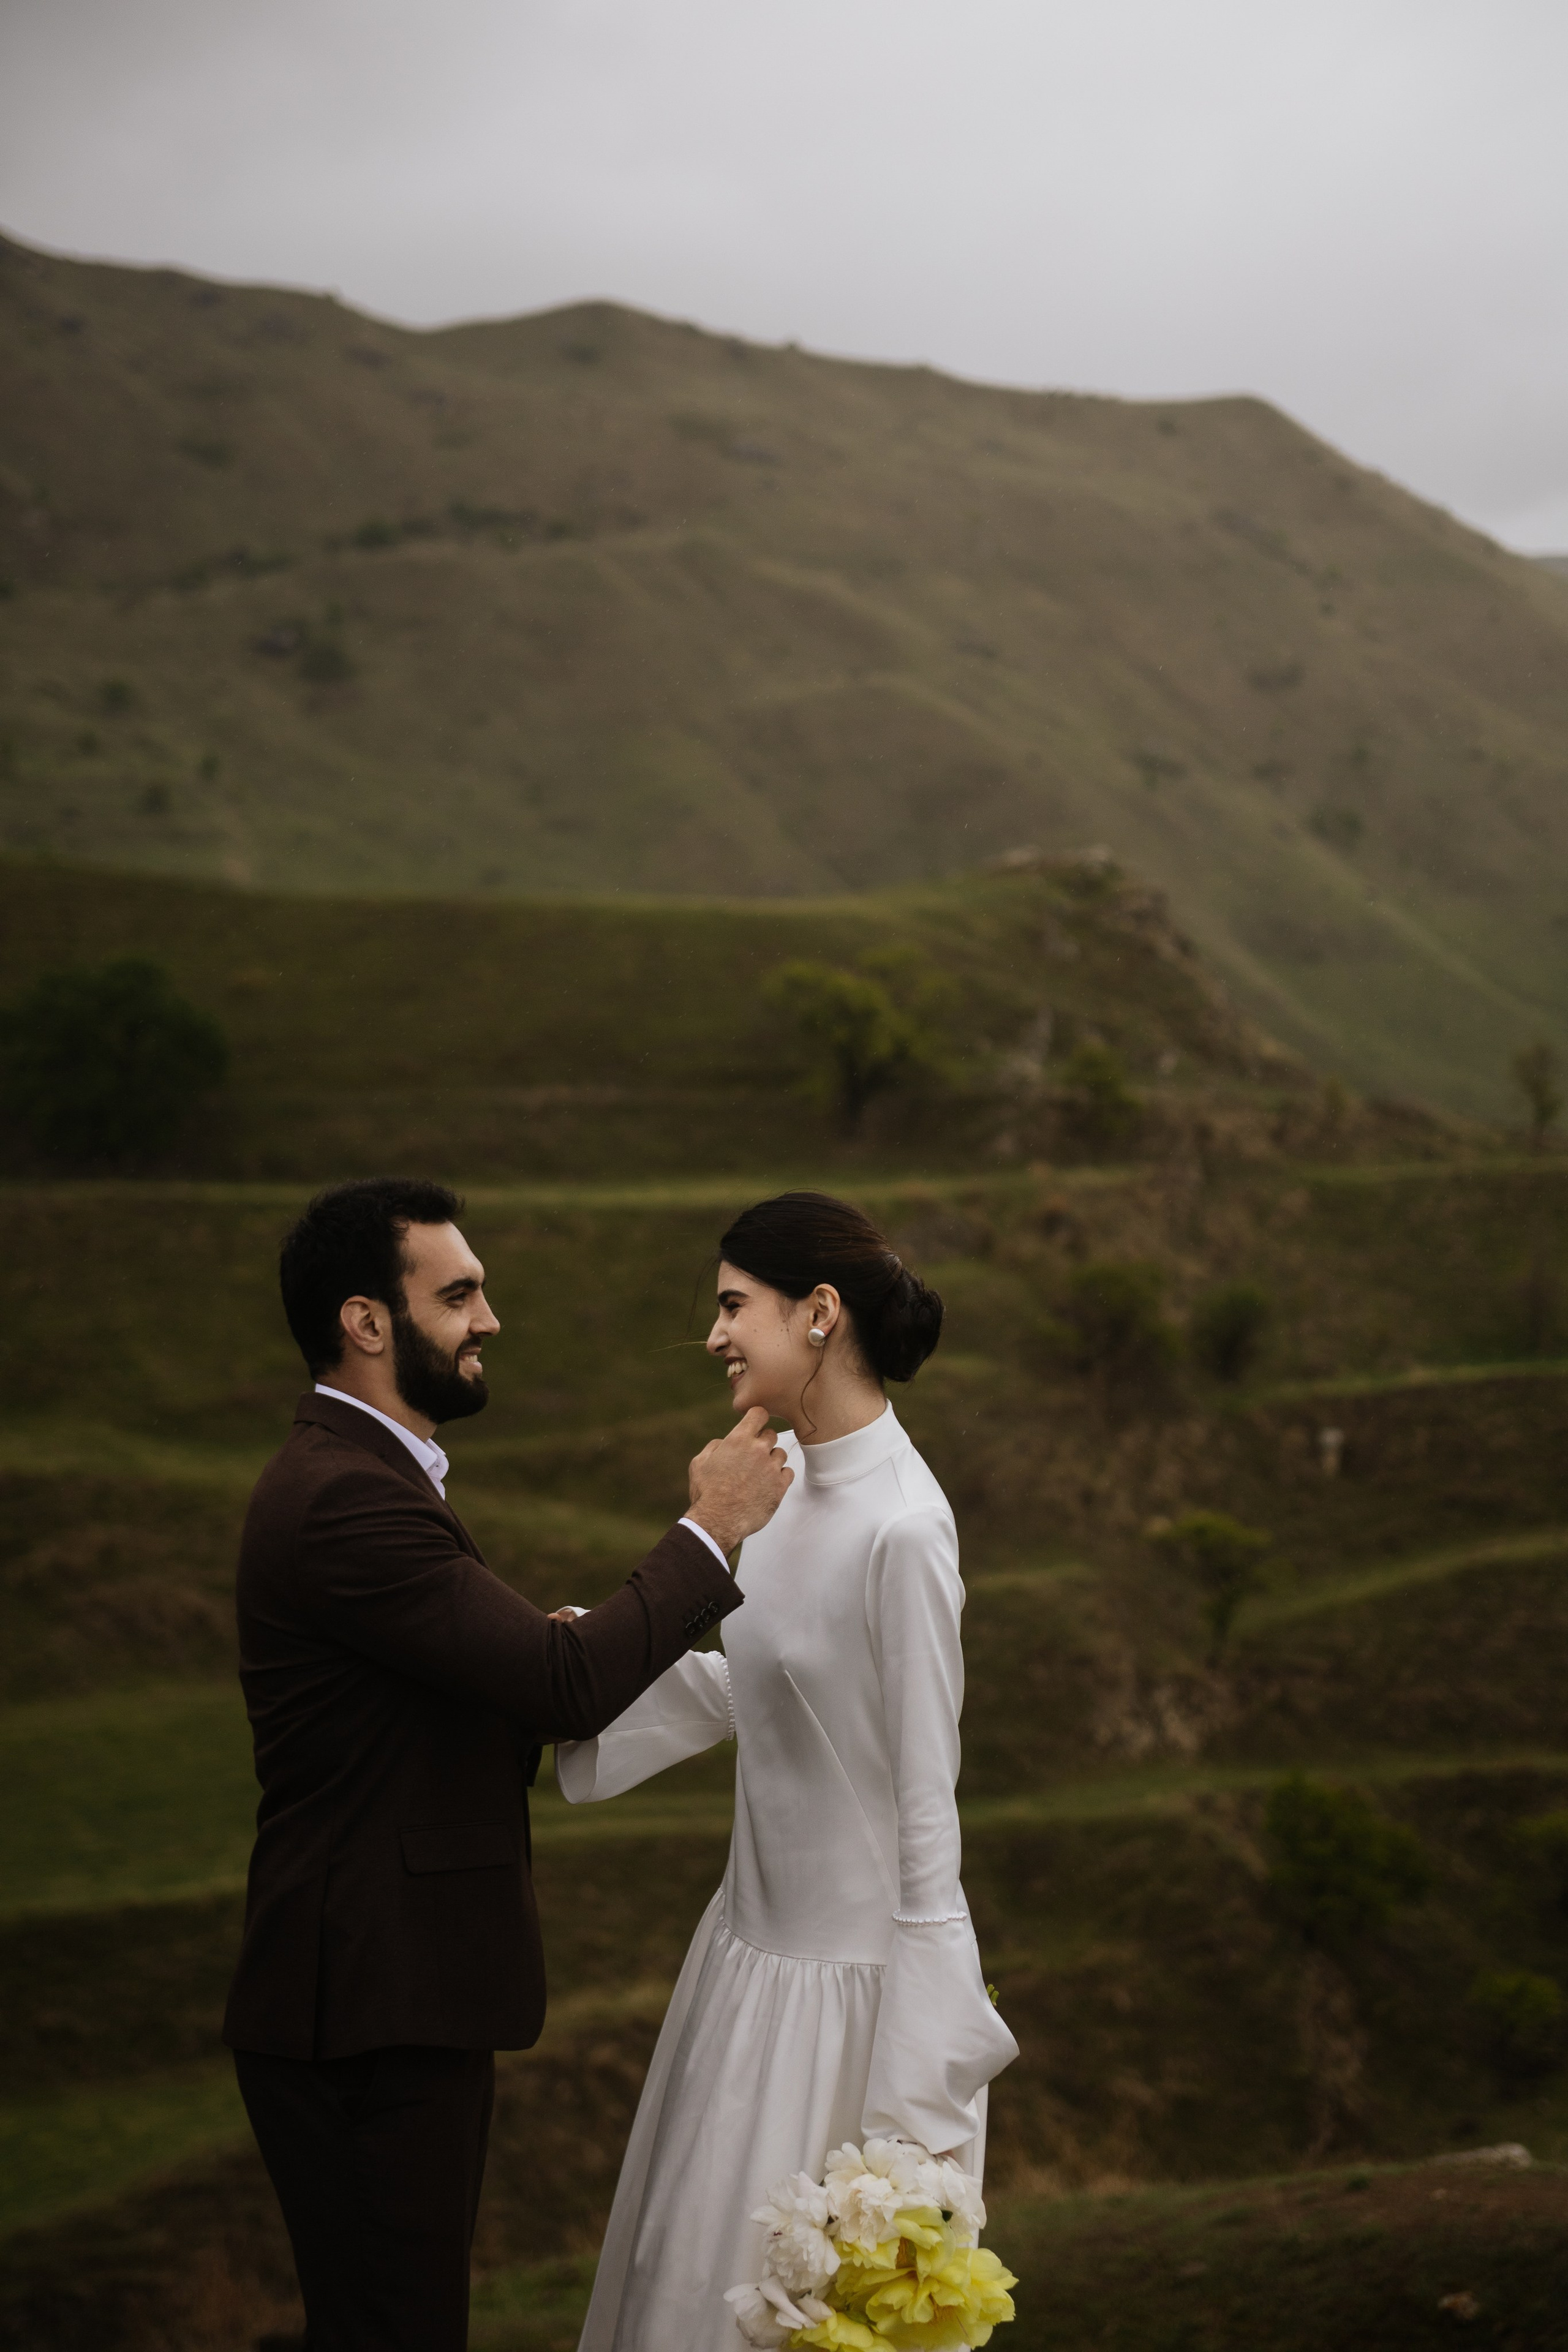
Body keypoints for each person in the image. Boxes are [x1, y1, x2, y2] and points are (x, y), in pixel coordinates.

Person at [222, 1177, 791, 2352]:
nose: (489, 1319)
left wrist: (568, 1652)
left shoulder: (367, 1481)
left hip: (382, 1992)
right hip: (367, 2006)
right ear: (367, 1323)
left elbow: (490, 1682)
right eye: (461, 1293)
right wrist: (710, 1529)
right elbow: (557, 1686)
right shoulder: (345, 1501)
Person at [558, 1189, 1019, 2351]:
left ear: (819, 1314)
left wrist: (916, 2091)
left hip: (847, 2006)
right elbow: (756, 1686)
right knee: (685, 2283)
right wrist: (569, 1671)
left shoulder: (905, 1528)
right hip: (743, 1970)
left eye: (731, 1307)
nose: (713, 1336)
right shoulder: (780, 1483)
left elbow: (927, 1811)